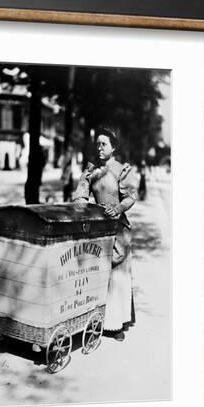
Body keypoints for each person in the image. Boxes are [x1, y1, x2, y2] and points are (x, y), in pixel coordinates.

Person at [73, 127, 138, 341]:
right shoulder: (92, 171)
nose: (100, 148)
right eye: (98, 144)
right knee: (98, 274)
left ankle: (116, 325)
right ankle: (96, 322)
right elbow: (81, 195)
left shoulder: (122, 170)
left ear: (114, 147)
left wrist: (118, 208)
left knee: (117, 277)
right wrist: (81, 203)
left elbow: (130, 197)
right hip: (98, 229)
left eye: (104, 144)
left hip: (118, 229)